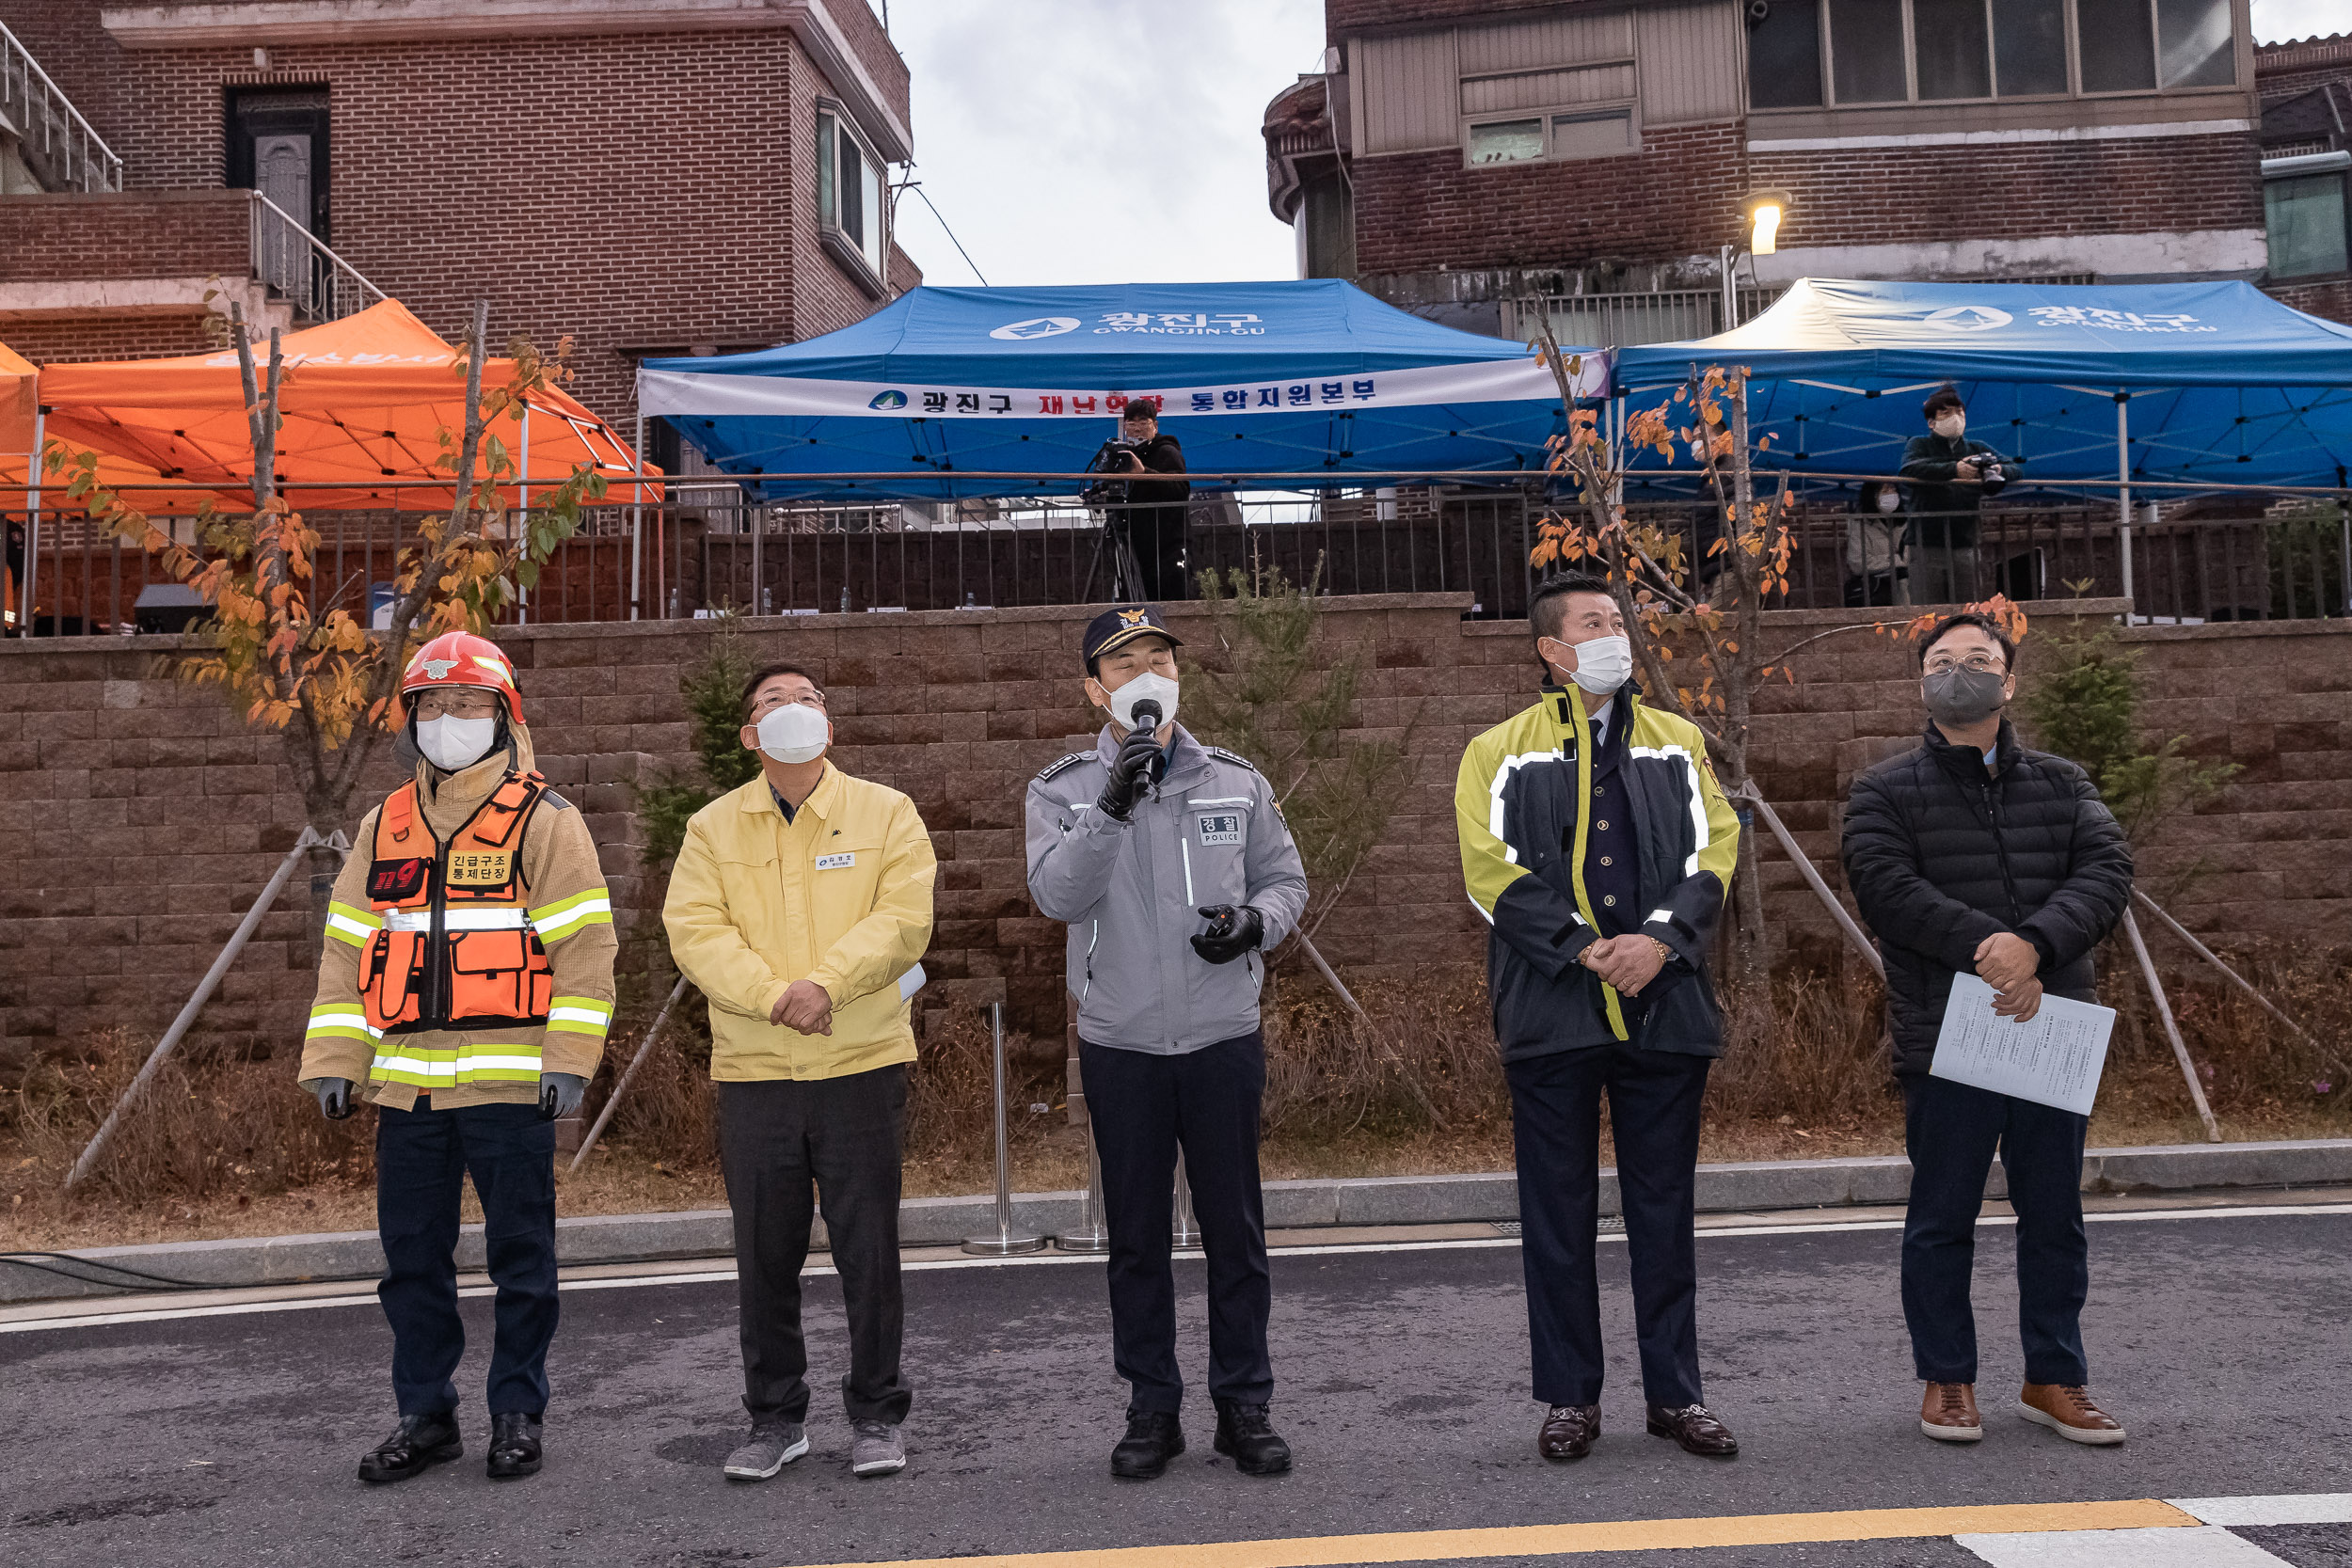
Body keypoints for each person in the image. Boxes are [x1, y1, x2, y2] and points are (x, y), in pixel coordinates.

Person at [297, 629, 616, 1484]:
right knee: (411, 1263)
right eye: (431, 705)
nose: (448, 719)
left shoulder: (546, 819)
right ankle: (425, 1414)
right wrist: (333, 1054)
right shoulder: (384, 822)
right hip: (407, 1094)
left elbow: (586, 949)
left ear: (503, 715)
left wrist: (571, 1059)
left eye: (467, 704)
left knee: (523, 1257)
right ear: (409, 719)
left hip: (511, 1085)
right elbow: (346, 950)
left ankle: (517, 1408)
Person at [1454, 575, 1742, 1465]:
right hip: (1553, 1010)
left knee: (1665, 1209)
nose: (1616, 632)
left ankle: (1676, 1393)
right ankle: (1572, 1395)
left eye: (1620, 620)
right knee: (1557, 1213)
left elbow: (1716, 847)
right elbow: (1487, 868)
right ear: (1552, 649)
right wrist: (1584, 946)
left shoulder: (1677, 738)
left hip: (1665, 1005)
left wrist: (1660, 942)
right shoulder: (1497, 751)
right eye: (1595, 622)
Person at [1024, 604, 1309, 1481]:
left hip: (1223, 1035)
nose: (1145, 676)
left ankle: (1244, 1404)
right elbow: (1058, 898)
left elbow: (1286, 880)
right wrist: (1110, 805)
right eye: (1122, 665)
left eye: (1159, 660)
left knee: (1236, 1232)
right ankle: (1152, 1407)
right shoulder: (1061, 788)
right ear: (1091, 689)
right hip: (1123, 1042)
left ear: (1179, 678)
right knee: (1137, 1237)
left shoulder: (1235, 780)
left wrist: (1253, 925)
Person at [1840, 611, 2134, 1448]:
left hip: (2052, 1020)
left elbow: (2108, 870)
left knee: (2055, 1213)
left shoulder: (2065, 782)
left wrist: (2035, 945)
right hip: (1948, 1029)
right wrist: (1988, 947)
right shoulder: (1883, 789)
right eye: (1942, 659)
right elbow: (1888, 889)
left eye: (1979, 658)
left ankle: (2055, 1376)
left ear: (2008, 681)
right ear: (1922, 684)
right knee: (1942, 1213)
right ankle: (1949, 1378)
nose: (1960, 669)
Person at [663, 662, 937, 1483]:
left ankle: (878, 1414)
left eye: (809, 697)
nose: (795, 709)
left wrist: (827, 985)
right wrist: (777, 996)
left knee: (870, 1252)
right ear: (750, 734)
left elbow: (903, 919)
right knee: (764, 1254)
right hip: (755, 1070)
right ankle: (775, 1417)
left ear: (830, 723)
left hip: (861, 1061)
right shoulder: (713, 828)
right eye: (775, 701)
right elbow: (697, 932)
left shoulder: (887, 814)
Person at [1900, 387, 2019, 606]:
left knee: (1968, 608)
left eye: (1959, 412)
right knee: (1927, 609)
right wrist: (1954, 470)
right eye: (1945, 413)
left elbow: (2015, 467)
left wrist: (1998, 470)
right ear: (1931, 422)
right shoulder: (1919, 444)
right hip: (1926, 541)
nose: (1955, 418)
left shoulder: (1977, 447)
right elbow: (1910, 469)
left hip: (1965, 541)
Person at [1100, 399, 1192, 601]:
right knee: (1137, 602)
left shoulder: (1167, 451)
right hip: (1137, 541)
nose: (1137, 429)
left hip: (1167, 544)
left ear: (1155, 425)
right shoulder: (1127, 455)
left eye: (1143, 423)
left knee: (1170, 600)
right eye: (1131, 424)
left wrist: (1143, 473)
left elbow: (1181, 490)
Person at [1845, 480, 1911, 608]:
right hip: (1879, 594)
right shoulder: (1860, 526)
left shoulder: (1904, 524)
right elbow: (1857, 563)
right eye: (1885, 491)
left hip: (1907, 593)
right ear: (1872, 495)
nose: (1891, 495)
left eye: (1894, 490)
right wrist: (1896, 561)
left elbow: (1913, 557)